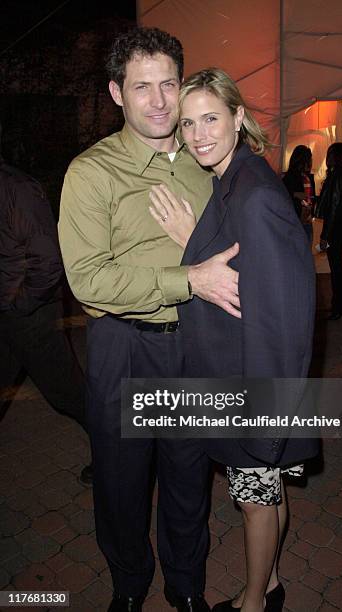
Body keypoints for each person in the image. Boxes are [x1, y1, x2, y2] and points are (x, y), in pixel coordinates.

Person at [58, 28, 241, 612]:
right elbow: (88, 280)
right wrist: (187, 279)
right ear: (117, 93)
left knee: (189, 477)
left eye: (169, 84)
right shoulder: (91, 174)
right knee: (121, 483)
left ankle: (186, 586)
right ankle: (129, 586)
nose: (161, 102)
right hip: (124, 347)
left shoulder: (204, 161)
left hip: (192, 343)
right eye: (143, 87)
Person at [149, 68, 318, 612]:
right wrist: (192, 239)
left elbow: (282, 316)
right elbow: (238, 265)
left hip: (252, 384)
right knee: (268, 492)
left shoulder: (254, 195)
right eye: (188, 122)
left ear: (239, 118)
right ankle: (269, 584)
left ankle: (253, 602)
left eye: (211, 119)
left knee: (254, 501)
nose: (198, 134)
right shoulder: (235, 178)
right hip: (243, 376)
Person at [0, 127, 91, 484]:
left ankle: (114, 455)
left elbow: (49, 261)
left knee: (68, 394)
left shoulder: (16, 189)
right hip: (9, 313)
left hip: (30, 316)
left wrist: (20, 304)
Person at [316, 142, 342, 320]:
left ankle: (338, 307)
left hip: (335, 230)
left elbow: (333, 208)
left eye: (330, 154)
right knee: (338, 268)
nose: (327, 157)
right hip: (341, 228)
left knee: (336, 268)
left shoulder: (336, 176)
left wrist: (325, 235)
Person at [282, 145, 315, 244]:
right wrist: (296, 194)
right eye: (308, 159)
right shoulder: (289, 177)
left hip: (306, 221)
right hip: (295, 222)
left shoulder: (308, 177)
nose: (310, 162)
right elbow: (284, 197)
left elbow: (311, 197)